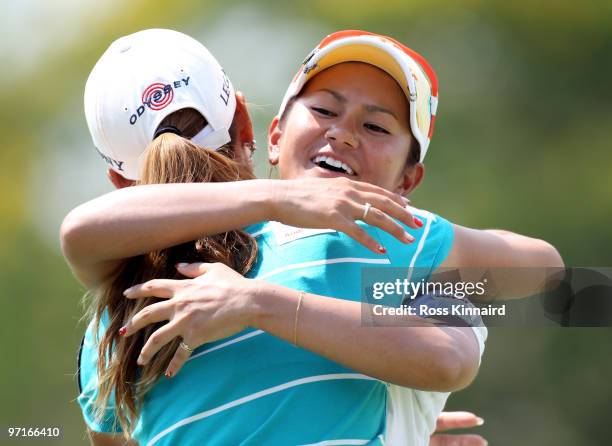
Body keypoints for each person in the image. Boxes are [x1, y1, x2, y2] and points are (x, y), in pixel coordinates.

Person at [63, 29, 561, 445]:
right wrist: (276, 202)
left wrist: (257, 302)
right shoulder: (121, 312)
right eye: (324, 110)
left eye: (375, 125)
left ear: (408, 184)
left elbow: (541, 289)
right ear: (264, 131)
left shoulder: (391, 245)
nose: (343, 134)